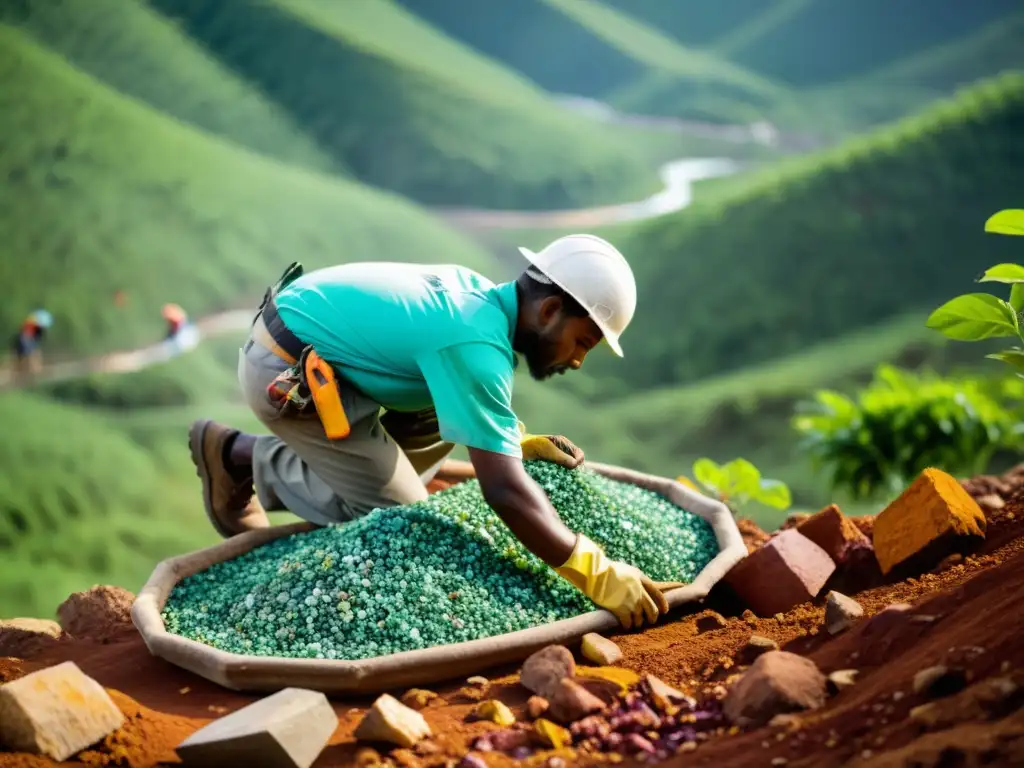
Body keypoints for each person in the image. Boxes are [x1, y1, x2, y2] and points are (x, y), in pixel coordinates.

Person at [188, 234, 669, 629]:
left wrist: (509, 440)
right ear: (548, 312)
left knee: (433, 443)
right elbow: (505, 492)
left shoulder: (481, 300)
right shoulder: (474, 340)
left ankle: (297, 463)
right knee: (396, 520)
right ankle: (235, 454)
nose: (579, 360)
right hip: (288, 370)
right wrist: (596, 573)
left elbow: (458, 383)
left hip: (330, 358)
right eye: (583, 340)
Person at [11, 309, 52, 377]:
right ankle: (34, 369)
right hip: (25, 339)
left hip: (25, 339)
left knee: (29, 354)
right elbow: (27, 336)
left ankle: (31, 369)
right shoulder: (32, 324)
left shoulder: (32, 322)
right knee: (32, 354)